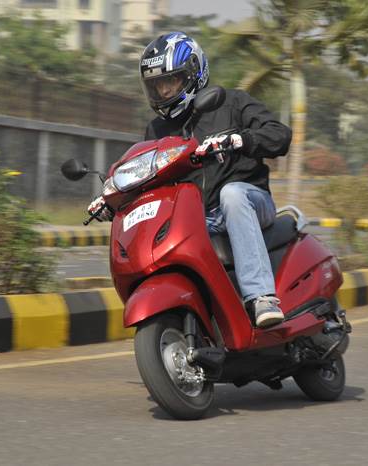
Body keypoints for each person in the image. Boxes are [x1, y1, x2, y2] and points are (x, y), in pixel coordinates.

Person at [90, 32, 292, 328]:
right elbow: (148, 179)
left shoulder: (232, 103)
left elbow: (280, 136)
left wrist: (241, 139)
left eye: (170, 81)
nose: (164, 90)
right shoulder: (157, 130)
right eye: (157, 85)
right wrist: (113, 200)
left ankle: (262, 297)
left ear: (194, 74)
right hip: (200, 215)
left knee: (232, 194)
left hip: (250, 202)